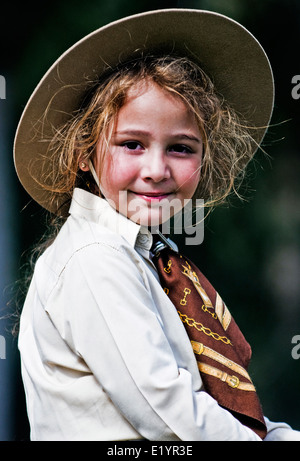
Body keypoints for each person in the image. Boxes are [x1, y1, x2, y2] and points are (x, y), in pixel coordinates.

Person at [14, 9, 300, 441]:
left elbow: (204, 401)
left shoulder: (150, 258)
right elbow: (169, 414)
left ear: (206, 159)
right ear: (83, 152)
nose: (156, 168)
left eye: (181, 148)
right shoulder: (95, 261)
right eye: (132, 144)